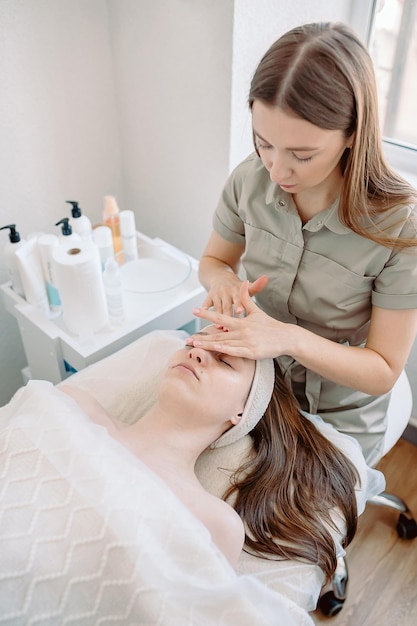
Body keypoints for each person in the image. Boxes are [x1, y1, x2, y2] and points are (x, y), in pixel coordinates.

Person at [187, 21, 417, 466]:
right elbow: (215, 260)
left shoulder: (399, 226)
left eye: (302, 155)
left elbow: (383, 370)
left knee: (292, 527)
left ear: (352, 134)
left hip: (340, 411)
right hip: (255, 381)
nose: (276, 170)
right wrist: (221, 284)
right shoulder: (248, 180)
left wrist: (286, 338)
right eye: (264, 143)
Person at [61, 325, 368, 581]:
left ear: (242, 410)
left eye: (224, 361)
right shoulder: (72, 406)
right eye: (194, 342)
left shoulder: (214, 523)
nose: (195, 352)